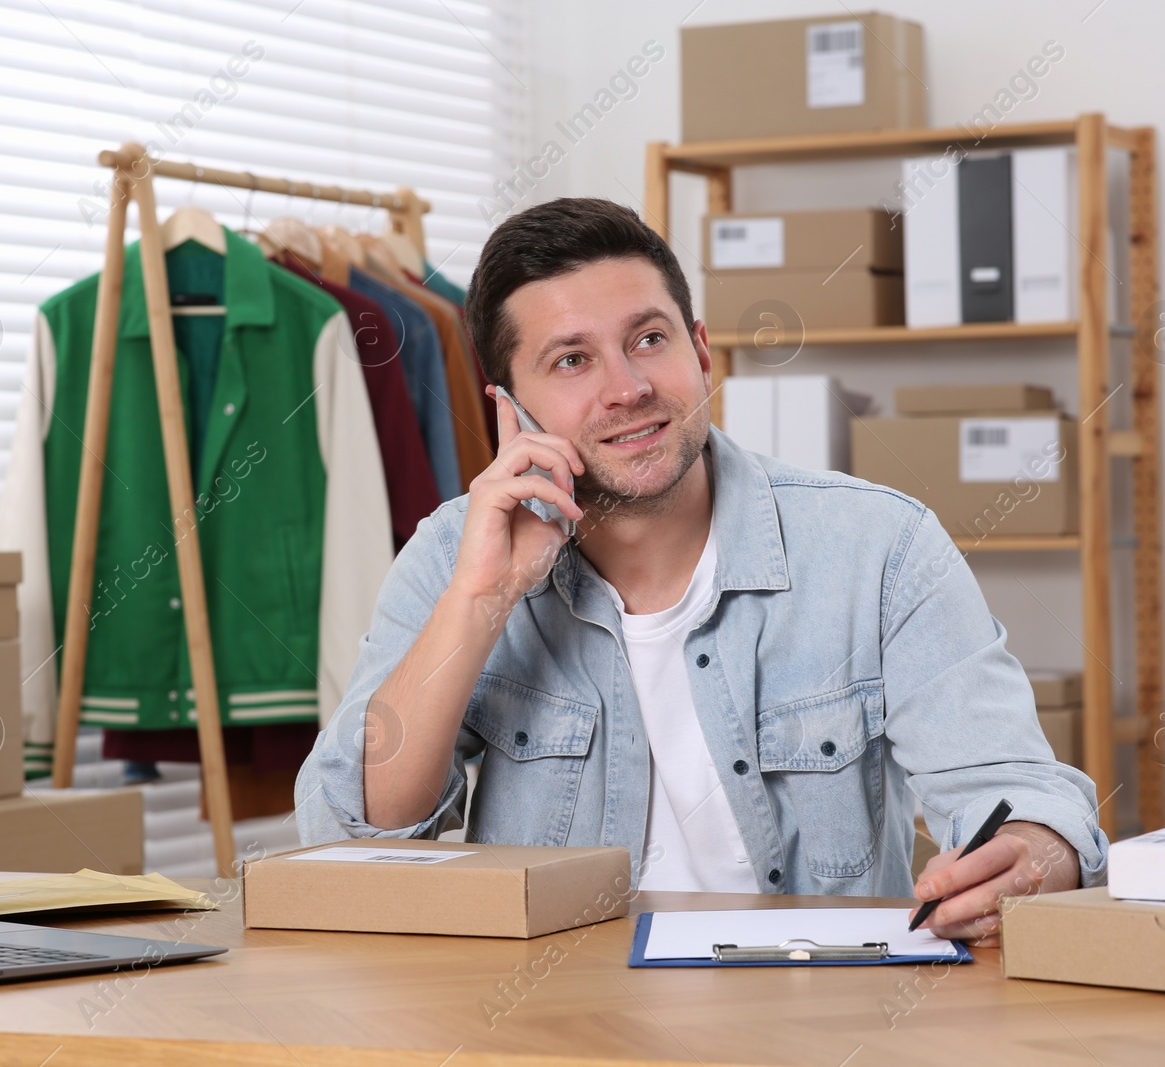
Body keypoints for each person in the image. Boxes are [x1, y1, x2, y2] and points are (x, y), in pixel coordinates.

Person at [296, 197, 1106, 944]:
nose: (629, 387)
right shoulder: (453, 556)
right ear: (509, 408)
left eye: (649, 339)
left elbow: (1019, 788)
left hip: (818, 1019)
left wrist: (1036, 852)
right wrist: (482, 599)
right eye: (572, 361)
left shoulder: (881, 547)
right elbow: (346, 835)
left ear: (704, 352)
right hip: (554, 1026)